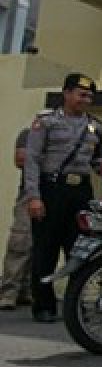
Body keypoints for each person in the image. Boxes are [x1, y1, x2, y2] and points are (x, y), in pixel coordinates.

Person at [23, 73, 102, 322]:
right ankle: (44, 305)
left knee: (79, 249)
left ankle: (76, 303)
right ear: (66, 93)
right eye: (81, 94)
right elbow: (32, 160)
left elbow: (98, 159)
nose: (86, 100)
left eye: (90, 96)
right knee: (45, 249)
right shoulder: (46, 122)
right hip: (52, 190)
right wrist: (34, 197)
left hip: (80, 192)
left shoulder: (95, 126)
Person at [0, 127, 33, 310]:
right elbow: (20, 160)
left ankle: (26, 290)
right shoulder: (29, 134)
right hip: (28, 195)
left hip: (54, 196)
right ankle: (8, 292)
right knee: (20, 242)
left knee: (41, 247)